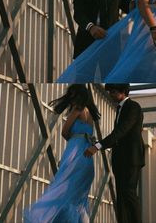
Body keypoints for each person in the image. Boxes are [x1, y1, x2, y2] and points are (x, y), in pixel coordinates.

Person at [24, 85, 100, 222]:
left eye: (72, 95)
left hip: (75, 152)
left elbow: (64, 132)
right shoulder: (91, 116)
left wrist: (73, 140)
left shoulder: (78, 110)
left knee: (62, 186)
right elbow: (94, 140)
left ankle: (45, 216)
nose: (70, 98)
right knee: (78, 196)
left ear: (78, 96)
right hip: (87, 158)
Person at [84, 84, 145, 223]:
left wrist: (98, 146)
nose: (110, 94)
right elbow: (119, 135)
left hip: (131, 158)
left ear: (123, 92)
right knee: (121, 197)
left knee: (129, 193)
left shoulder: (133, 107)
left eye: (113, 92)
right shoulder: (120, 108)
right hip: (120, 159)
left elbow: (121, 131)